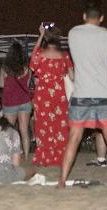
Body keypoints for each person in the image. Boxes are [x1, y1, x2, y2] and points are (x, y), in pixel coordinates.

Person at [60, 0, 107, 189]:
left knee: (74, 139)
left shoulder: (73, 34)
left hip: (81, 95)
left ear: (83, 16)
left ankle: (62, 181)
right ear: (101, 18)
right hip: (104, 95)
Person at [28, 25, 72, 169]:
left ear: (46, 39)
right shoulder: (64, 55)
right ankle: (60, 157)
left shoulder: (40, 54)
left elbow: (32, 64)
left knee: (42, 126)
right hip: (59, 95)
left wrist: (40, 35)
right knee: (60, 126)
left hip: (42, 95)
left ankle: (44, 157)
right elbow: (72, 76)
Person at [0, 41, 33, 168]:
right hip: (24, 101)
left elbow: (1, 85)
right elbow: (29, 83)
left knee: (9, 131)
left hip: (10, 102)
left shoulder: (5, 68)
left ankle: (9, 156)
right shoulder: (26, 68)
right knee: (24, 130)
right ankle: (25, 156)